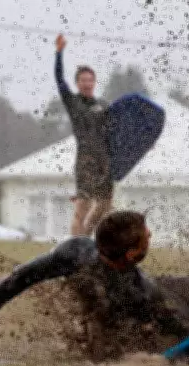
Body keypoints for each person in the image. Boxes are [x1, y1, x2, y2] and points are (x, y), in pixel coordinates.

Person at [0, 210, 189, 339]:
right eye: (147, 238)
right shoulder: (140, 293)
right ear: (130, 254)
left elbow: (22, 275)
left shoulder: (75, 250)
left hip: (153, 287)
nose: (150, 236)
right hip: (148, 309)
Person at [55, 33, 114, 237]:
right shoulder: (73, 102)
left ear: (95, 82)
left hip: (104, 161)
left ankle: (85, 241)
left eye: (90, 80)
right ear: (78, 83)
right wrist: (59, 53)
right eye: (83, 80)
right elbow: (59, 80)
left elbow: (117, 131)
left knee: (105, 205)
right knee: (83, 207)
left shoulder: (104, 106)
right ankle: (75, 250)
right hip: (85, 160)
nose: (87, 83)